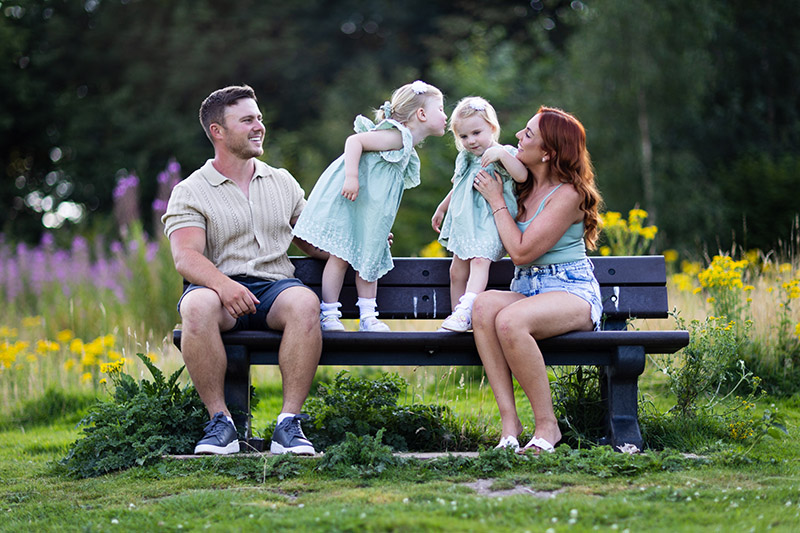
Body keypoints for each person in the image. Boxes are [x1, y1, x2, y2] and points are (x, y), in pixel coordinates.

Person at [162, 85, 327, 456]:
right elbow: (186, 257)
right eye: (248, 120)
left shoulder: (282, 181)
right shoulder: (190, 190)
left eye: (260, 118)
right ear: (218, 131)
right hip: (216, 293)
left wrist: (361, 247)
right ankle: (221, 423)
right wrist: (223, 286)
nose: (259, 126)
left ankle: (289, 425)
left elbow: (312, 240)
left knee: (304, 303)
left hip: (274, 290)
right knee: (195, 307)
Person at [471, 106, 603, 454]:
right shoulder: (523, 187)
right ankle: (510, 425)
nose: (517, 136)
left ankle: (548, 426)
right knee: (483, 307)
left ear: (547, 153)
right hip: (528, 290)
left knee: (512, 321)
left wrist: (497, 200)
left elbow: (521, 252)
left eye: (528, 134)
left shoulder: (570, 195)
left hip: (571, 292)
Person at [292, 80, 448, 332]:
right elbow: (355, 142)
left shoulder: (405, 143)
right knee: (340, 254)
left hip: (368, 212)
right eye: (440, 109)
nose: (445, 115)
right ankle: (329, 314)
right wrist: (351, 176)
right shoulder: (397, 135)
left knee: (371, 255)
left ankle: (368, 316)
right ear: (421, 114)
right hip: (351, 201)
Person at [431, 96, 527, 332]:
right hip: (466, 223)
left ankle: (467, 310)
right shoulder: (464, 157)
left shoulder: (503, 153)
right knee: (456, 271)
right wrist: (442, 207)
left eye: (476, 132)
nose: (470, 140)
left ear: (492, 128)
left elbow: (522, 175)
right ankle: (457, 314)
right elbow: (459, 186)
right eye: (463, 136)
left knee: (479, 261)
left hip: (489, 222)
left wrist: (503, 155)